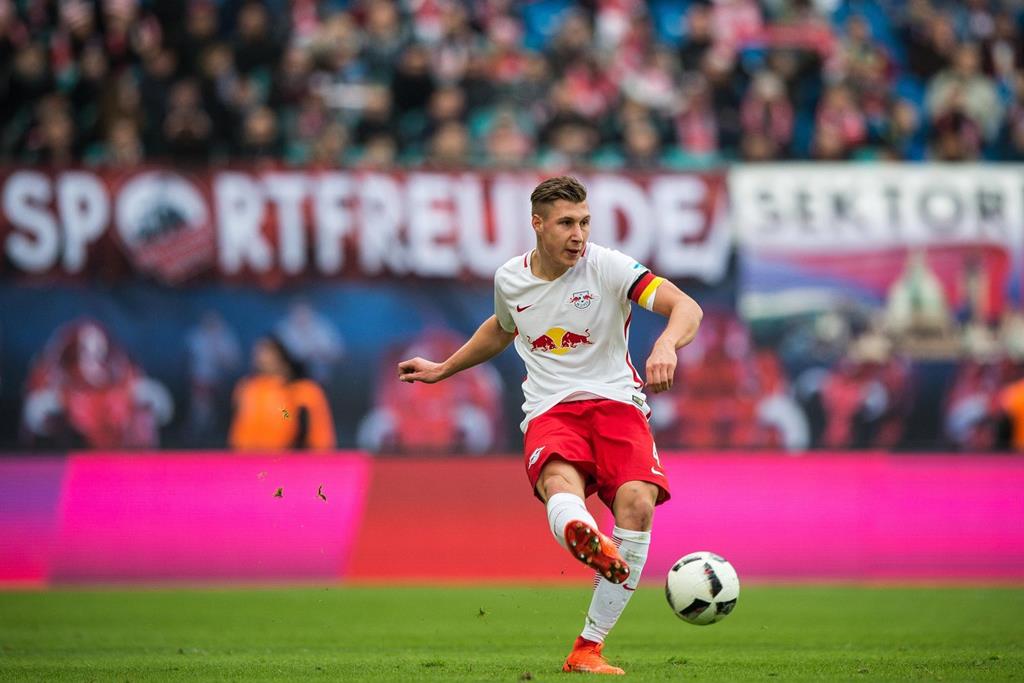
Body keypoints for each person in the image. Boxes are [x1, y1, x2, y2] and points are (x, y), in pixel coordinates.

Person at [398, 176, 702, 675]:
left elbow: (686, 306)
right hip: (551, 409)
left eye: (584, 222)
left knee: (638, 505)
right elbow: (502, 328)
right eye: (566, 223)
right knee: (560, 481)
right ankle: (583, 533)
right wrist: (443, 368)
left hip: (617, 404)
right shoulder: (510, 279)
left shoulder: (609, 266)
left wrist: (667, 343)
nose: (578, 235)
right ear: (537, 224)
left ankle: (588, 648)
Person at [229, 336, 336, 451]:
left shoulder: (302, 389)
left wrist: (282, 409)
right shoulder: (247, 387)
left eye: (268, 353)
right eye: (258, 353)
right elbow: (238, 422)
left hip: (288, 455)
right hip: (245, 455)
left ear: (282, 355)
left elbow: (288, 417)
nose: (261, 358)